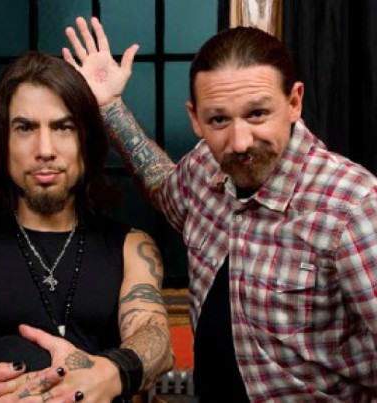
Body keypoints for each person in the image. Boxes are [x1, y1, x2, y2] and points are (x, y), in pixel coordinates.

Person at [62, 17, 377, 402]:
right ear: (195, 119)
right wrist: (109, 107)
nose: (240, 142)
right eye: (219, 120)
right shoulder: (204, 168)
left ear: (294, 102)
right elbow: (164, 189)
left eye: (257, 114)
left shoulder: (353, 206)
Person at [0, 51, 174, 402]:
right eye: (25, 128)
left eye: (63, 128)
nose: (45, 149)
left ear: (85, 141)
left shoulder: (131, 246)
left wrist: (106, 375)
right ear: (2, 142)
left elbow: (154, 338)